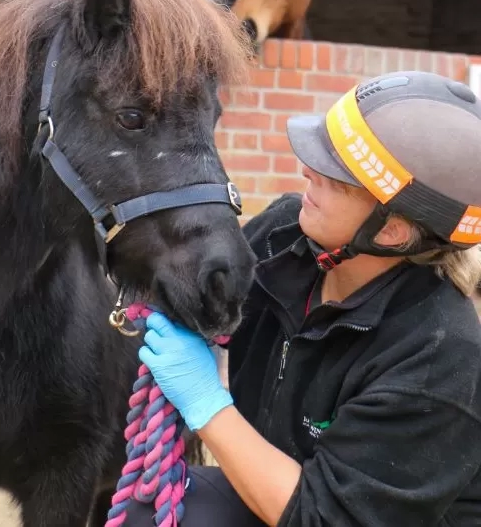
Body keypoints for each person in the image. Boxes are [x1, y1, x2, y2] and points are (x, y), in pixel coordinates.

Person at [126, 70, 481, 526]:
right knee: (153, 512)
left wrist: (205, 403)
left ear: (390, 231)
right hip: (284, 497)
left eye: (337, 178)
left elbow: (322, 517)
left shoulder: (441, 359)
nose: (308, 170)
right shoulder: (284, 237)